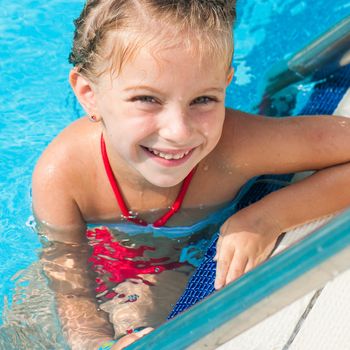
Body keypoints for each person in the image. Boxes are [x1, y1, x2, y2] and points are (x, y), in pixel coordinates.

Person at [32, 0, 350, 349]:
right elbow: (70, 288)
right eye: (147, 99)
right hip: (106, 256)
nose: (179, 131)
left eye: (203, 100)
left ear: (226, 82)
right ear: (89, 94)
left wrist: (267, 217)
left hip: (182, 262)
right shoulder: (63, 176)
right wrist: (95, 343)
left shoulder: (236, 148)